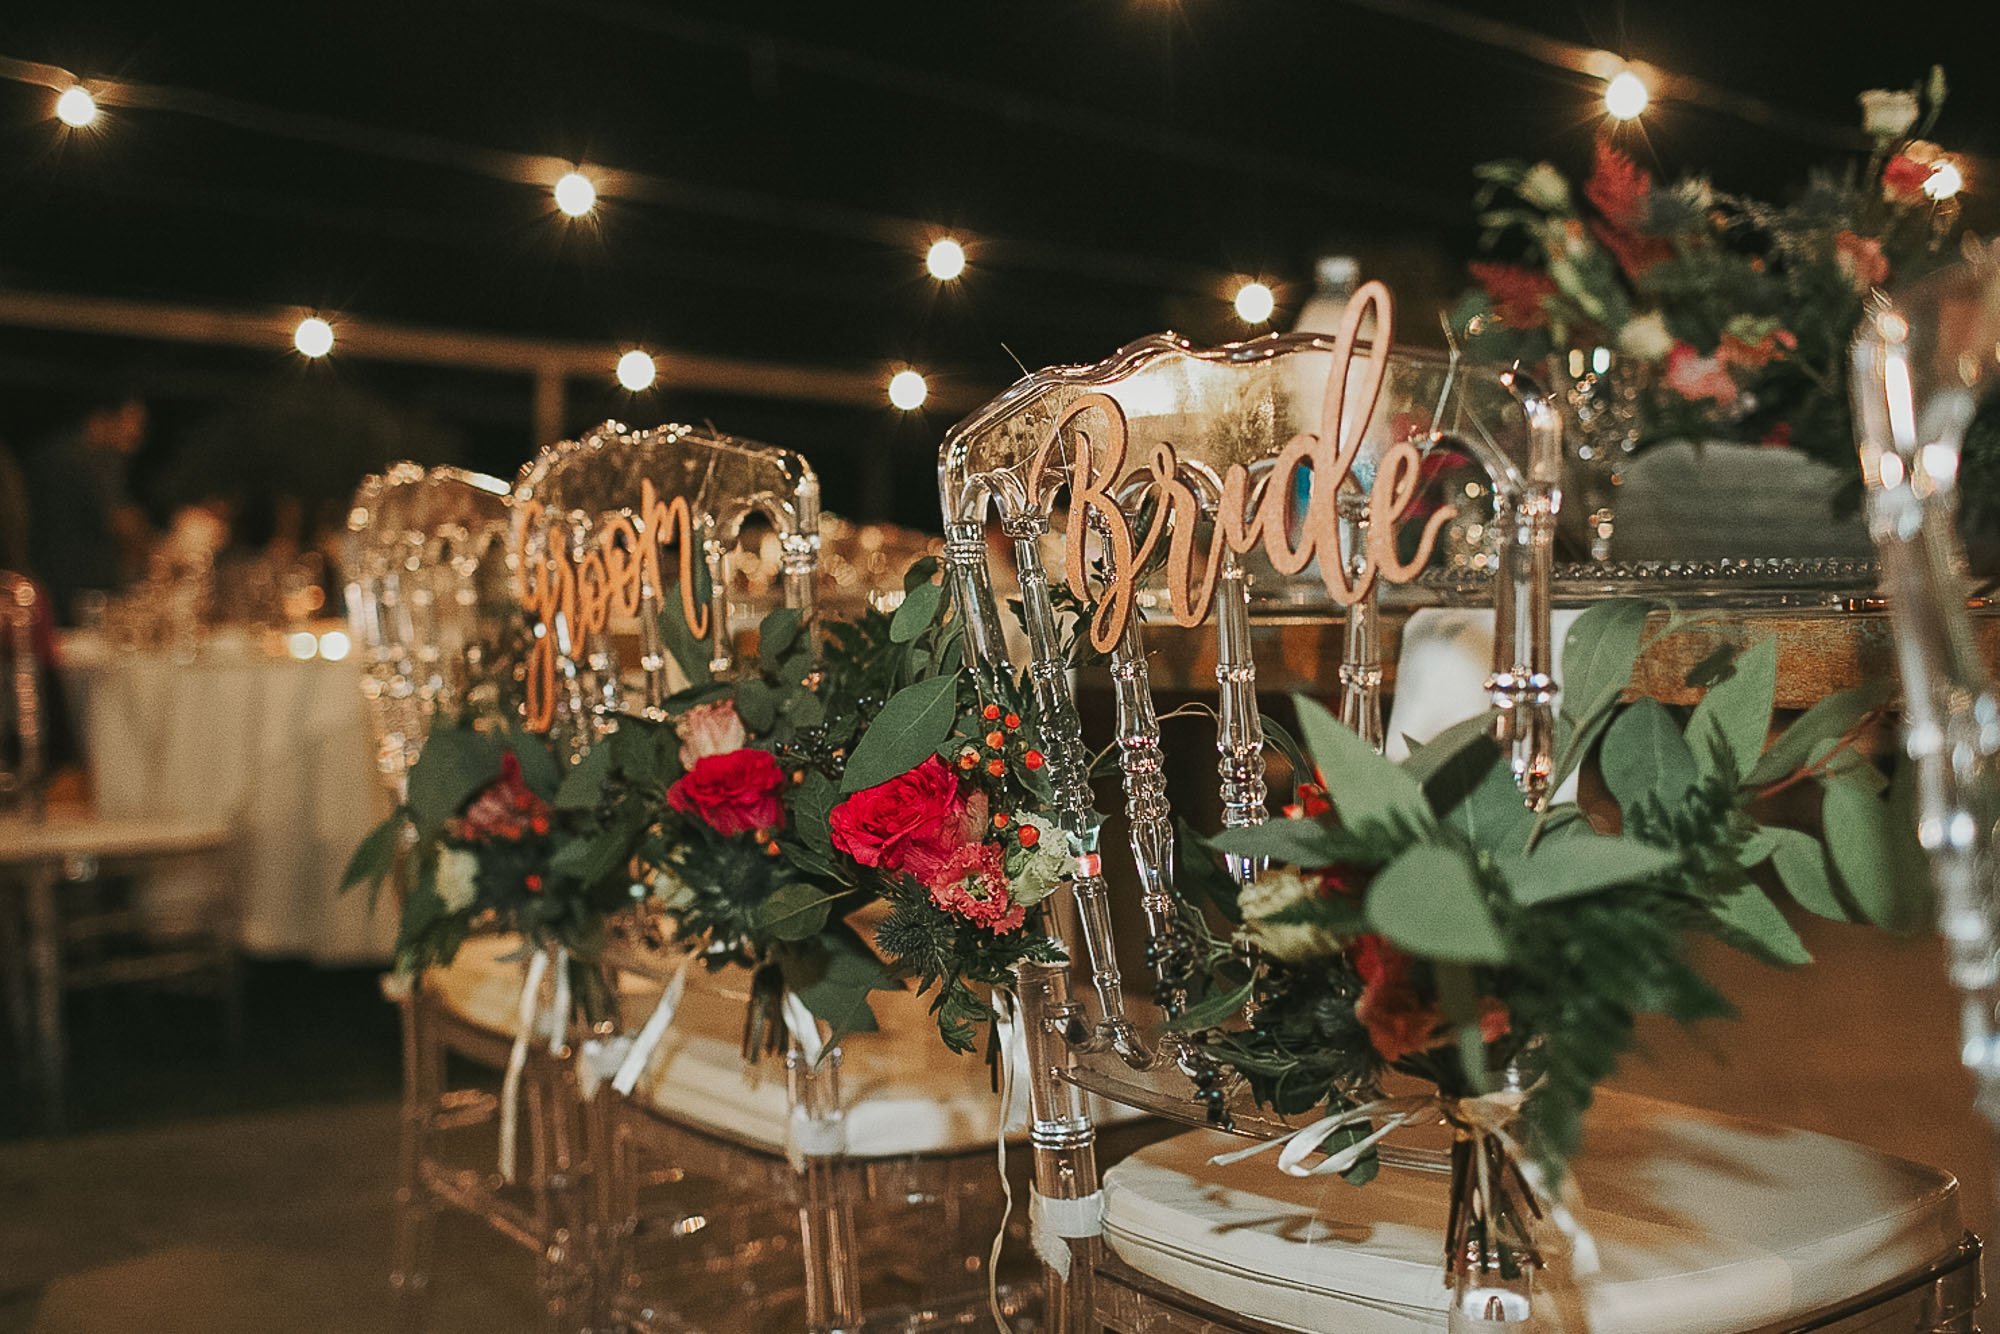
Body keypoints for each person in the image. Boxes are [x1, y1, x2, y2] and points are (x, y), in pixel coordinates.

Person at [21, 395, 154, 624]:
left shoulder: (51, 453)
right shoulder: (94, 460)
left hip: (43, 587)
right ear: (103, 417)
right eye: (133, 422)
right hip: (86, 596)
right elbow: (122, 525)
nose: (138, 434)